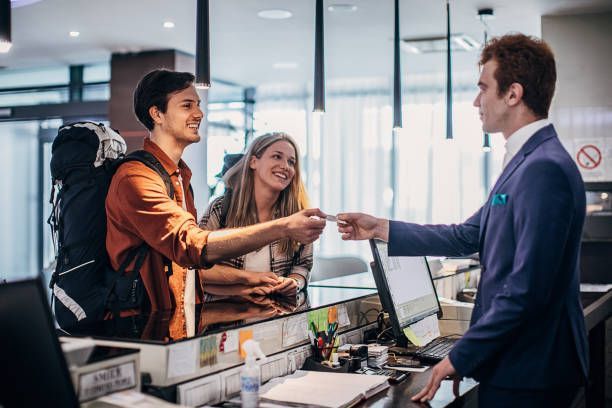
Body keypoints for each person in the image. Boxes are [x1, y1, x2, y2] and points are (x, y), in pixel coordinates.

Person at [337, 34, 588, 407]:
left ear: (513, 94)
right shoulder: (526, 161)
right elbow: (467, 235)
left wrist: (462, 355)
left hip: (531, 368)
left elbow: (527, 289)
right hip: (521, 362)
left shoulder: (543, 168)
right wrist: (378, 228)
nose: (476, 101)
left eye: (483, 88)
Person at [106, 69, 327, 312]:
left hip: (176, 323)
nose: (199, 113)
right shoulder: (136, 177)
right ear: (157, 114)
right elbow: (192, 247)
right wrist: (282, 227)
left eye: (198, 105)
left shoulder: (179, 177)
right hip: (141, 328)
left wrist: (247, 284)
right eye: (187, 105)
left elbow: (191, 271)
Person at [200, 133, 312, 298]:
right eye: (277, 157)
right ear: (253, 162)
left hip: (276, 317)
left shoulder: (297, 216)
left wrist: (294, 282)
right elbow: (194, 266)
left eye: (291, 162)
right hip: (223, 317)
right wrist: (249, 282)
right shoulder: (221, 208)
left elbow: (302, 267)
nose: (285, 166)